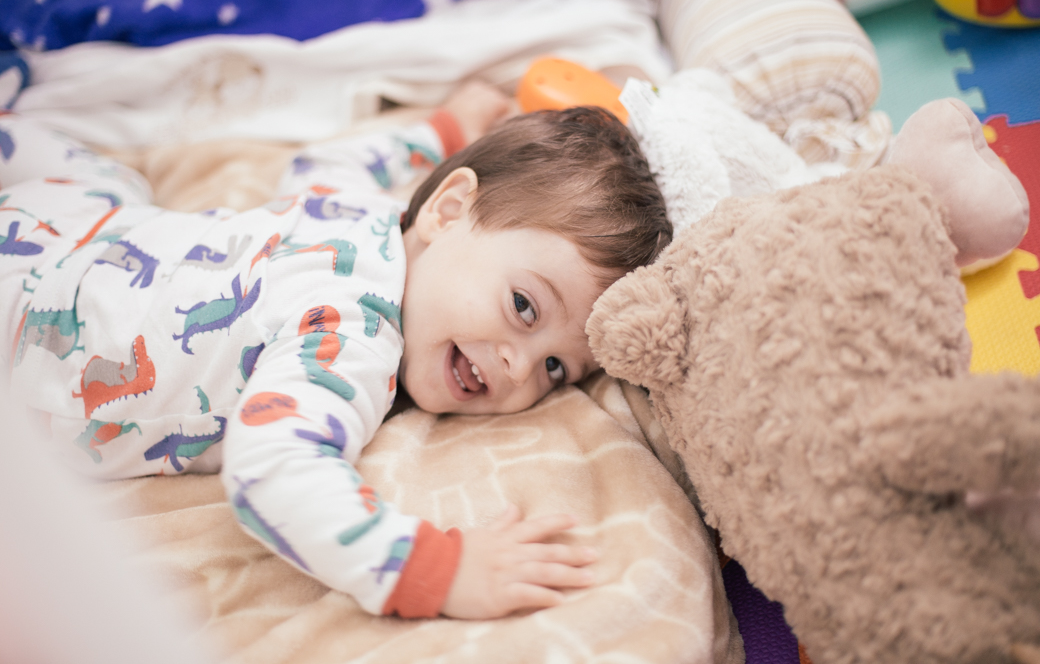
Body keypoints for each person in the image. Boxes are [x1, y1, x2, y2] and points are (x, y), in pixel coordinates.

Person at [0, 82, 672, 621]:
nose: (520, 366)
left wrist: (438, 130)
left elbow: (325, 162)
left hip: (59, 226)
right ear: (445, 210)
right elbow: (272, 470)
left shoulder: (353, 208)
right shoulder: (350, 337)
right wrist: (432, 569)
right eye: (525, 306)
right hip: (23, 347)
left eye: (557, 367)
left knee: (108, 178)